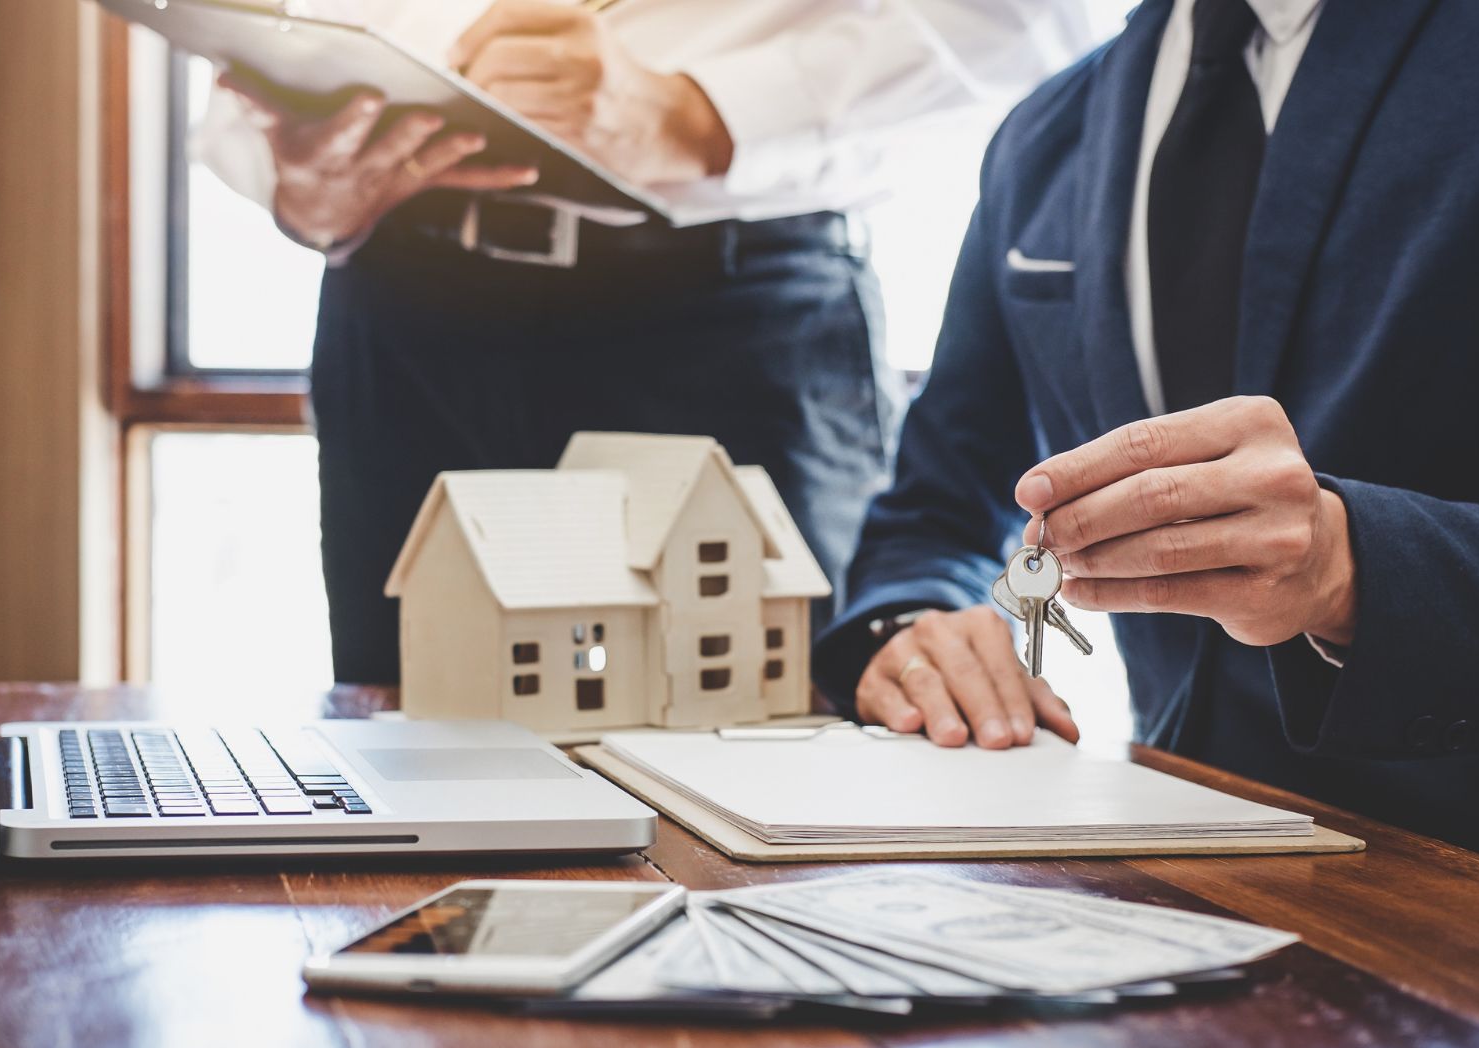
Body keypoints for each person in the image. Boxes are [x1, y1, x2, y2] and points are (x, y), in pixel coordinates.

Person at [815, 0, 1479, 886]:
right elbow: (933, 512)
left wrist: (1348, 570)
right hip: (1162, 866)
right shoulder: (1043, 134)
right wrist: (915, 627)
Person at [195, 0, 1099, 686]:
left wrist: (703, 114)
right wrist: (290, 182)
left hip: (723, 304)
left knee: (770, 753)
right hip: (395, 292)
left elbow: (1036, 22)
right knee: (406, 737)